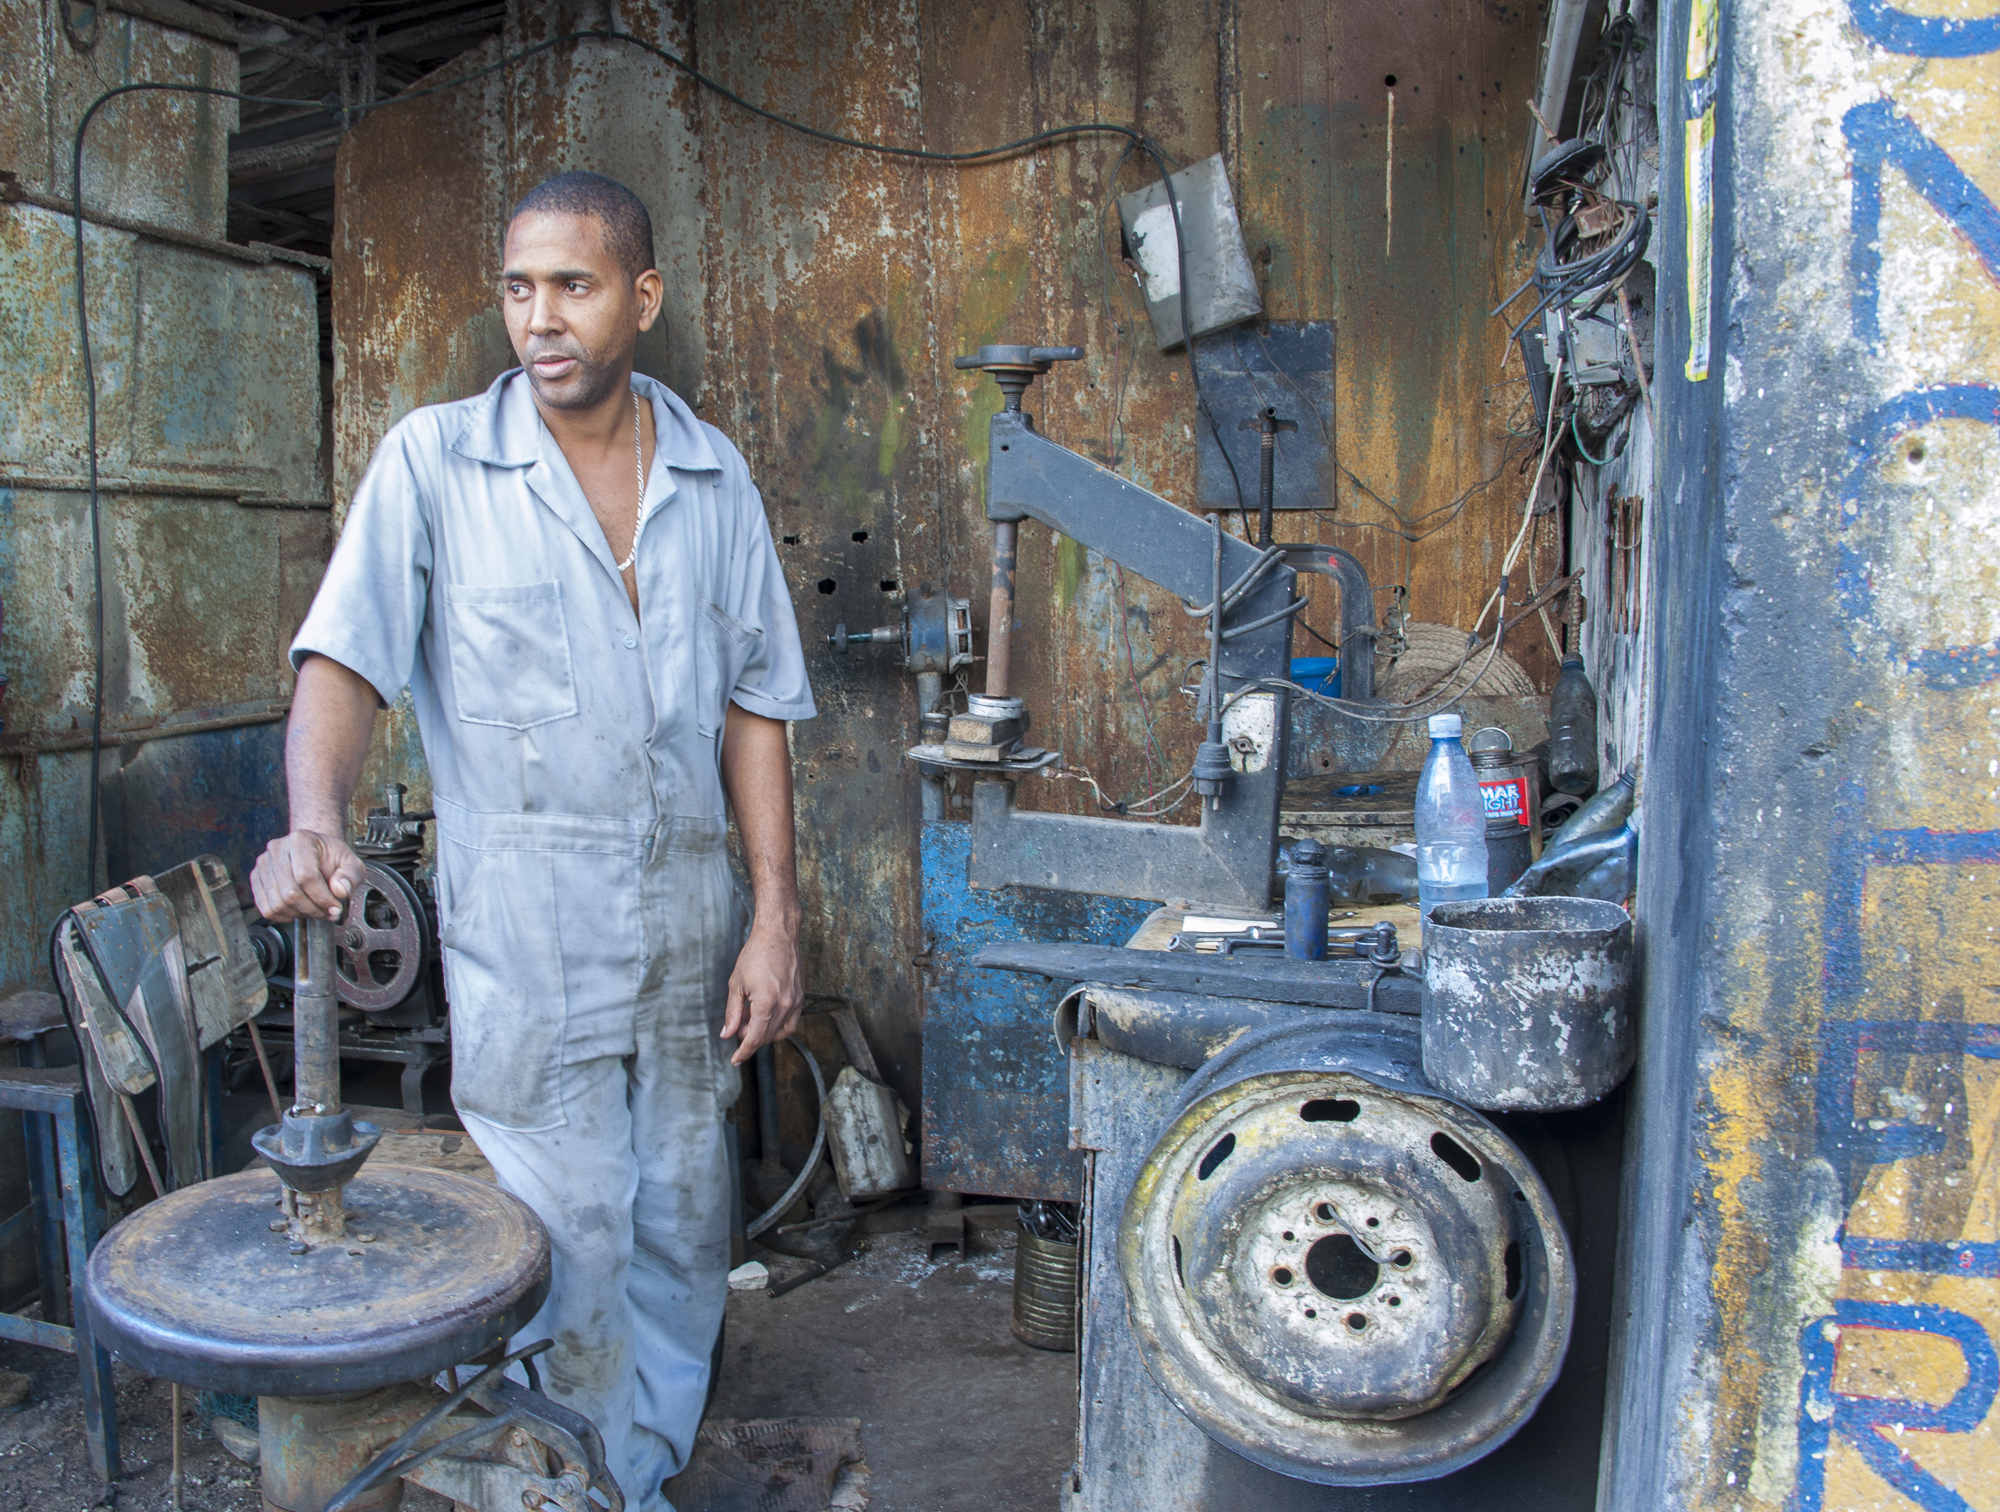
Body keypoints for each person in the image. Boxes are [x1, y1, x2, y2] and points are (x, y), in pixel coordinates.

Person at [249, 170, 815, 1509]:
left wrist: (775, 914)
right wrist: (312, 824)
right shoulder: (438, 463)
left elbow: (755, 711)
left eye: (573, 285)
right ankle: (570, 1481)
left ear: (643, 297)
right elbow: (344, 663)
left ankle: (642, 1471)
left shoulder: (710, 472)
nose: (540, 318)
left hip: (688, 921)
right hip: (529, 934)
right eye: (519, 288)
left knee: (682, 1218)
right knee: (567, 1235)